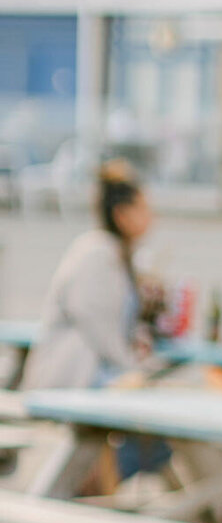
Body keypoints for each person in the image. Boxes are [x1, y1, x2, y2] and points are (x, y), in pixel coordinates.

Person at [24, 160, 155, 391]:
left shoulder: (122, 255)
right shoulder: (96, 253)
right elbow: (99, 327)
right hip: (75, 377)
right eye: (143, 209)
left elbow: (121, 322)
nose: (150, 217)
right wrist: (131, 367)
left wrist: (138, 336)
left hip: (99, 375)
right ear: (121, 215)